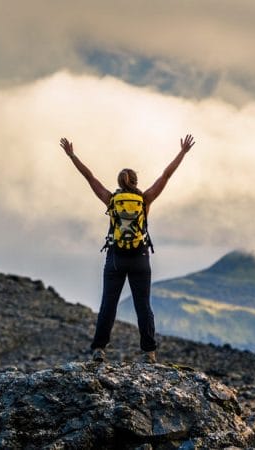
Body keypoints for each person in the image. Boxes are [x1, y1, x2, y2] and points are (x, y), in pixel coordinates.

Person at [60, 134, 195, 363]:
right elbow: (166, 175)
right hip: (140, 256)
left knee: (108, 305)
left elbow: (89, 177)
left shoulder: (111, 199)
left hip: (116, 257)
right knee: (143, 306)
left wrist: (72, 155)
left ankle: (99, 350)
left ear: (119, 182)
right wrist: (182, 152)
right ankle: (149, 352)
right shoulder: (145, 199)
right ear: (135, 181)